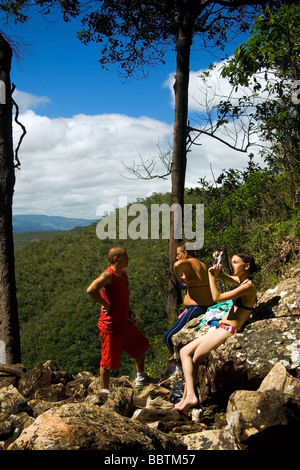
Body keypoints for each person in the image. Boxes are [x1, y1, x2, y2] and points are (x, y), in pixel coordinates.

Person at [174, 252, 258, 412]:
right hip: (221, 327)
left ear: (246, 266)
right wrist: (218, 274)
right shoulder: (242, 281)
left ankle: (189, 397)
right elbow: (226, 278)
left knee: (196, 357)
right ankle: (188, 396)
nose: (232, 264)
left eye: (235, 262)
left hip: (228, 330)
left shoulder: (248, 286)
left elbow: (217, 297)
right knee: (185, 351)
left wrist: (211, 276)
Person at [87, 246, 150, 392]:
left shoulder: (122, 273)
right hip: (111, 326)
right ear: (117, 259)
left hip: (124, 323)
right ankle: (105, 391)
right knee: (107, 361)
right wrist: (105, 305)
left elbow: (123, 297)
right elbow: (91, 289)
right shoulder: (108, 276)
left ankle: (141, 378)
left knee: (142, 346)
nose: (128, 259)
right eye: (125, 256)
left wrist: (130, 313)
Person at [163, 241, 214, 355]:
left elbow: (176, 265)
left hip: (197, 308)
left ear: (185, 253)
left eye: (178, 254)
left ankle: (178, 366)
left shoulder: (189, 263)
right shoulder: (204, 265)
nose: (177, 257)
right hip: (207, 305)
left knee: (168, 337)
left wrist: (179, 276)